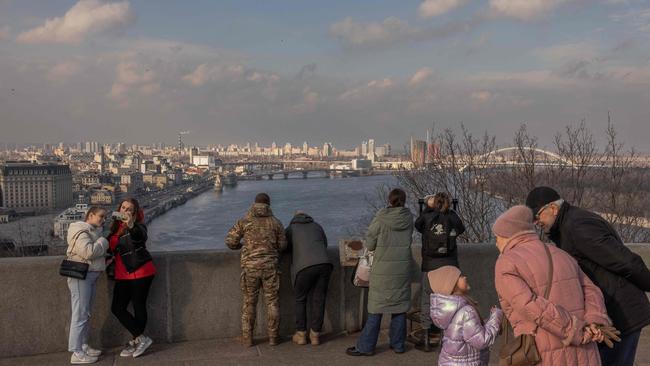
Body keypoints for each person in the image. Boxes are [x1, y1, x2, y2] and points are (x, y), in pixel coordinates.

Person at [526, 186, 650, 366]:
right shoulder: (569, 224)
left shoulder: (577, 227)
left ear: (553, 208)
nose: (536, 222)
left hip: (621, 314)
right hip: (612, 313)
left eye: (537, 216)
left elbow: (624, 261)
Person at [493, 205, 612, 365]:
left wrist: (573, 330)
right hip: (586, 351)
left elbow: (529, 305)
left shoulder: (506, 263)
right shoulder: (562, 254)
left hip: (542, 352)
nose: (496, 243)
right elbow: (591, 291)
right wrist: (594, 322)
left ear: (508, 235)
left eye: (497, 237)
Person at [346, 188, 415, 356]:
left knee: (376, 308)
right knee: (399, 307)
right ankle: (398, 345)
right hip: (402, 268)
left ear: (389, 200)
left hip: (382, 269)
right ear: (404, 200)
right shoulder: (408, 218)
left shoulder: (381, 218)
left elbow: (370, 244)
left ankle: (366, 347)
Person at [226, 193, 287, 347]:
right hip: (270, 268)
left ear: (254, 203)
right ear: (269, 205)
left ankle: (248, 338)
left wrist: (243, 246)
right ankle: (273, 337)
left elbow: (231, 241)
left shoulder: (244, 221)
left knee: (249, 303)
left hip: (250, 268)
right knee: (272, 303)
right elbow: (283, 246)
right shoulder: (276, 223)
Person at [414, 192, 465, 350]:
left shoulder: (427, 217)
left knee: (427, 300)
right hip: (450, 265)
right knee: (449, 301)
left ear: (433, 203)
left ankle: (427, 338)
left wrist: (427, 208)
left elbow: (418, 226)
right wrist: (451, 211)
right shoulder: (451, 216)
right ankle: (448, 337)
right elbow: (461, 229)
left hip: (430, 266)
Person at [107, 198, 156, 358]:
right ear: (119, 208)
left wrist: (131, 224)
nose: (125, 210)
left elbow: (140, 236)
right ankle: (141, 339)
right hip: (122, 273)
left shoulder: (138, 225)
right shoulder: (115, 227)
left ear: (134, 212)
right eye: (123, 207)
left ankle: (137, 340)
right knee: (117, 308)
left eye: (129, 209)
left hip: (140, 271)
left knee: (138, 305)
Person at [428, 266, 503, 366]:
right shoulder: (466, 311)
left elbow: (469, 332)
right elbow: (482, 340)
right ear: (451, 284)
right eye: (460, 276)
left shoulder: (450, 310)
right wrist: (496, 315)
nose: (465, 277)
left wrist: (489, 320)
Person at [66, 206, 109, 364]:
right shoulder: (80, 230)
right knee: (80, 314)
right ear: (90, 215)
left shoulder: (92, 230)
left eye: (105, 217)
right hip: (80, 277)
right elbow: (88, 252)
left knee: (86, 313)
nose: (103, 220)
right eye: (101, 217)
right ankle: (76, 352)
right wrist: (103, 241)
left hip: (89, 275)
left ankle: (83, 346)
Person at [285, 211, 333, 346]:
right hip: (324, 264)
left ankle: (301, 335)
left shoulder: (290, 229)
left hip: (303, 268)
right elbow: (325, 243)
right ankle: (315, 335)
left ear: (294, 219)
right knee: (319, 299)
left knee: (300, 299)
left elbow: (284, 248)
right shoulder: (317, 226)